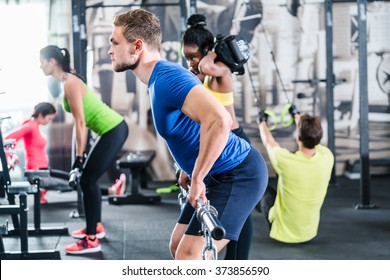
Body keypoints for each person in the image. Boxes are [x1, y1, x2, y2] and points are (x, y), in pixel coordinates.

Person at [108, 8, 268, 260]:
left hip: (238, 172)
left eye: (114, 42)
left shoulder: (167, 78)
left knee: (189, 257)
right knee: (177, 246)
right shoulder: (157, 79)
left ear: (137, 46)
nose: (110, 50)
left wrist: (198, 178)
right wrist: (189, 169)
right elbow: (191, 125)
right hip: (217, 171)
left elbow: (219, 120)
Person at [39, 45, 129, 254]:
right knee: (89, 179)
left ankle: (90, 239)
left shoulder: (69, 83)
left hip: (113, 129)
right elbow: (79, 123)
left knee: (87, 180)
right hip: (110, 129)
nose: (40, 65)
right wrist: (76, 157)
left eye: (42, 60)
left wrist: (80, 157)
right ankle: (95, 227)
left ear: (53, 62)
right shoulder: (67, 81)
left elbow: (80, 122)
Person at [181, 14, 253, 260]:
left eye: (193, 57)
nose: (190, 63)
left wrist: (212, 51)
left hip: (235, 141)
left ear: (207, 52)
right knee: (227, 207)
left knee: (241, 214)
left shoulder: (220, 70)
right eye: (186, 58)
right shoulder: (203, 76)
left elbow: (204, 66)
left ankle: (238, 263)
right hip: (219, 143)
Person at [257, 107, 334, 243]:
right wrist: (297, 116)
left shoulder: (286, 161)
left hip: (281, 232)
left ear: (298, 137)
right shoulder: (327, 157)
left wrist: (262, 122)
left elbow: (269, 142)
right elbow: (312, 137)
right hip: (309, 232)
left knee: (259, 184)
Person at [4, 102, 56, 203]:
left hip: (42, 169)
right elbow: (8, 139)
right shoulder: (30, 126)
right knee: (73, 183)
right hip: (36, 171)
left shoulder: (35, 127)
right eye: (49, 118)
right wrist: (10, 156)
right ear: (41, 115)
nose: (49, 121)